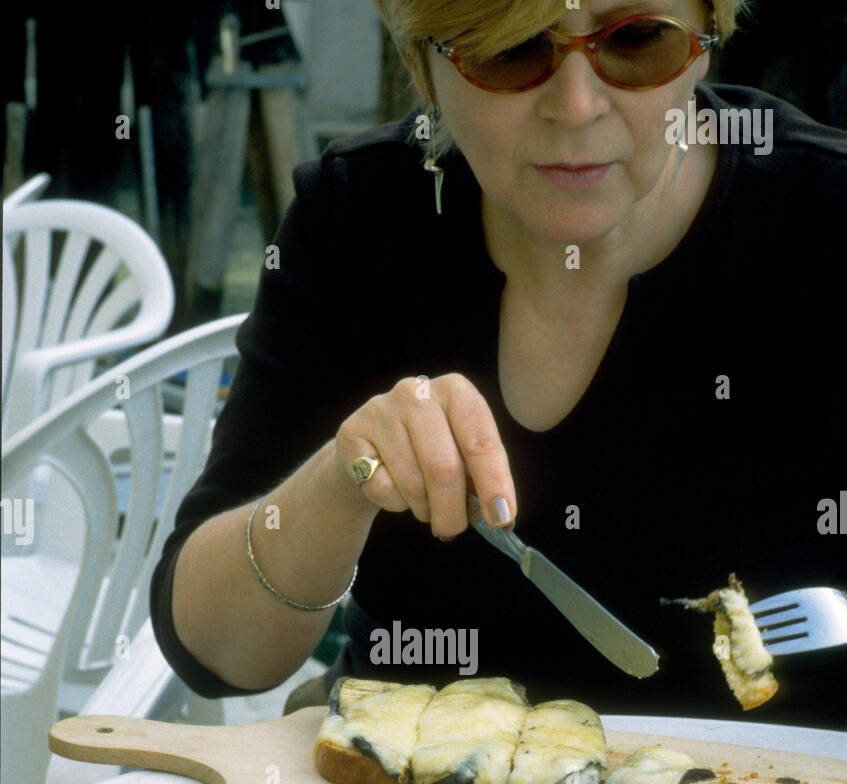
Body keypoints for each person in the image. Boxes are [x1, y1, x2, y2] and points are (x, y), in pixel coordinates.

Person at [151, 0, 847, 729]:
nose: (576, 108)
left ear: (706, 42)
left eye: (638, 42)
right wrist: (338, 483)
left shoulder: (822, 225)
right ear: (421, 67)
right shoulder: (360, 216)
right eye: (512, 51)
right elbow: (214, 655)